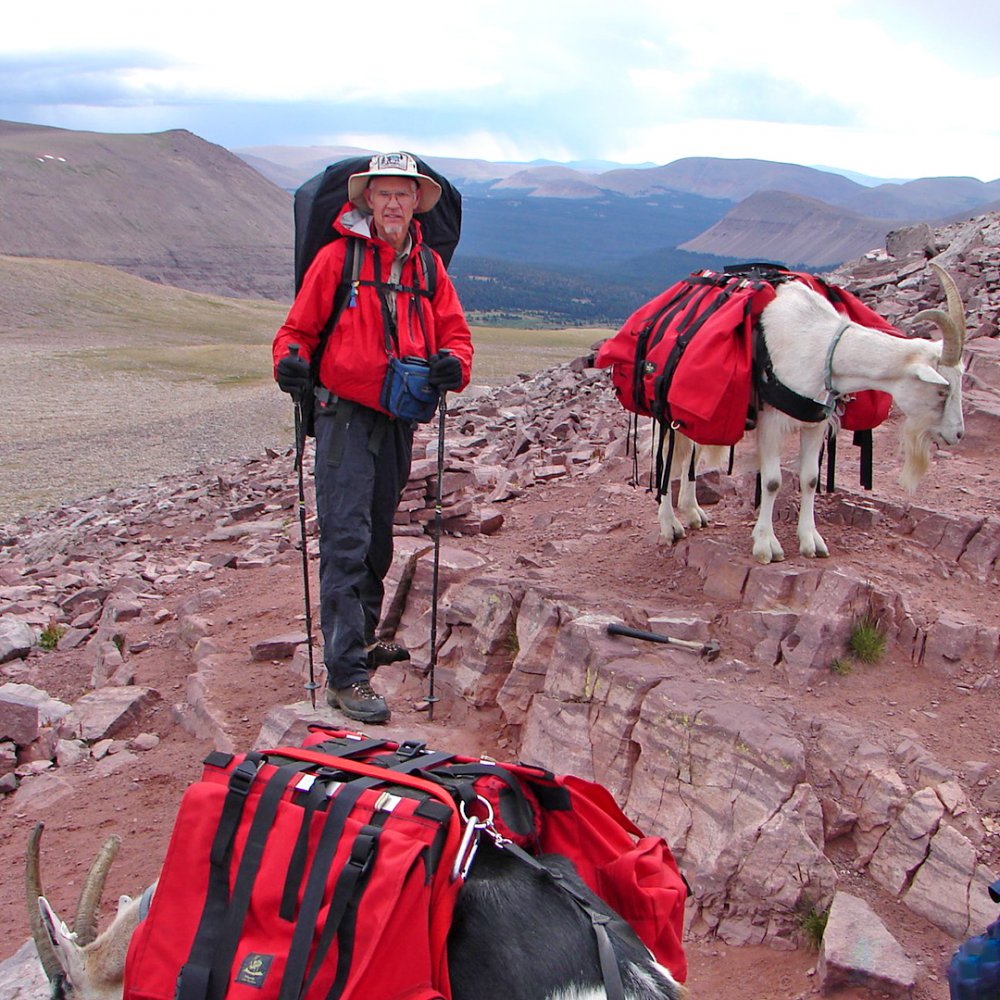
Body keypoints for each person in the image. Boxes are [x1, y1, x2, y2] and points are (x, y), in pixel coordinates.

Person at [272, 152, 473, 724]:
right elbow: (297, 330)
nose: (392, 204)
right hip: (344, 419)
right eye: (383, 194)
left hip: (397, 420)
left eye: (403, 195)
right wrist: (290, 361)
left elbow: (456, 335)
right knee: (346, 539)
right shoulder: (338, 258)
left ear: (416, 204)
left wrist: (452, 366)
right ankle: (345, 677)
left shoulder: (428, 268)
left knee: (378, 540)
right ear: (366, 200)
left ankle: (358, 643)